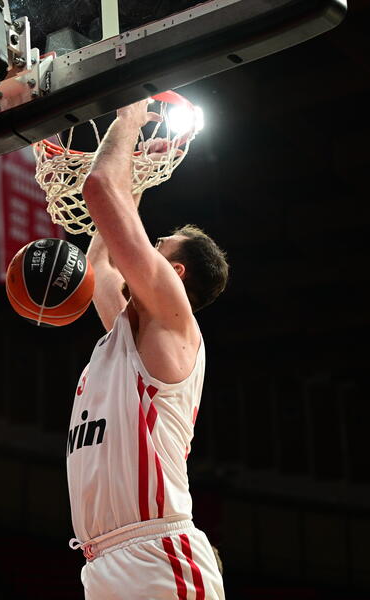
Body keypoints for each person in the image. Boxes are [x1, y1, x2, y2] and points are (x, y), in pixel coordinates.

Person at [66, 98, 229, 599]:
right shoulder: (129, 331)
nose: (144, 251)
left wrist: (130, 118)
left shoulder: (172, 322)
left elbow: (98, 188)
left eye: (158, 248)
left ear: (175, 275)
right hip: (101, 559)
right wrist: (136, 174)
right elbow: (99, 268)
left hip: (157, 554)